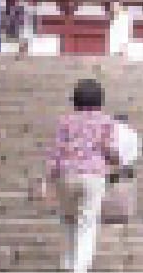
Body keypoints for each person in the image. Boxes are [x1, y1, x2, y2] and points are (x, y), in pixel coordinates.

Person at [36, 78, 120, 273]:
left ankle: (67, 264)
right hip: (94, 175)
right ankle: (79, 268)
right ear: (100, 100)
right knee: (87, 223)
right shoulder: (106, 122)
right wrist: (116, 160)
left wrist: (46, 180)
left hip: (66, 175)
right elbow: (108, 148)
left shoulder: (65, 121)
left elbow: (55, 152)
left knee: (68, 219)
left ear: (75, 99)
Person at [104, 114, 143, 222]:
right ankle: (124, 213)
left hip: (111, 165)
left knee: (108, 189)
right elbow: (136, 153)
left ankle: (109, 213)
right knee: (127, 189)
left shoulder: (110, 133)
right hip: (127, 166)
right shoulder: (133, 133)